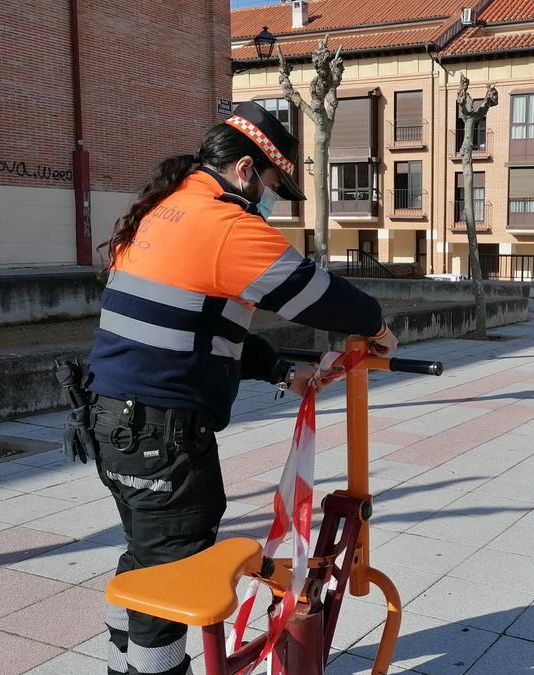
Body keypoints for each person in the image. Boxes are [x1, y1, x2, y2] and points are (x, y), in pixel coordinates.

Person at [82, 102, 398, 675]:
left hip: (113, 423)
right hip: (161, 435)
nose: (272, 202)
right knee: (171, 571)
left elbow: (197, 325)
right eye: (275, 185)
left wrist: (280, 370)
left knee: (145, 558)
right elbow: (316, 294)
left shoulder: (166, 208)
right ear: (247, 170)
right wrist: (376, 328)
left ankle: (123, 668)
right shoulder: (225, 223)